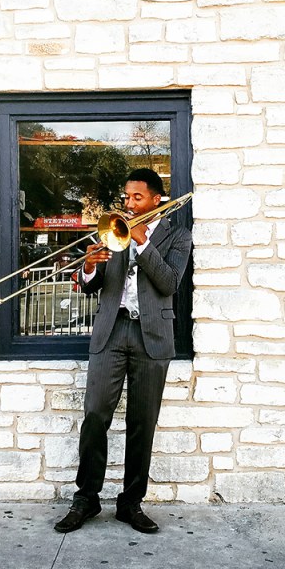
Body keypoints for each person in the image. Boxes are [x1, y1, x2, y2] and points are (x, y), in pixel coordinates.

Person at [54, 168, 192, 535]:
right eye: (126, 198)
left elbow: (168, 283)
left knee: (142, 423)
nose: (129, 204)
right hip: (112, 331)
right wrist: (87, 267)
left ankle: (130, 504)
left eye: (137, 198)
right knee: (95, 414)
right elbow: (91, 286)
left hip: (152, 334)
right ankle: (86, 499)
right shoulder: (113, 229)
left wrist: (143, 243)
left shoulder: (179, 235)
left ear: (156, 199)